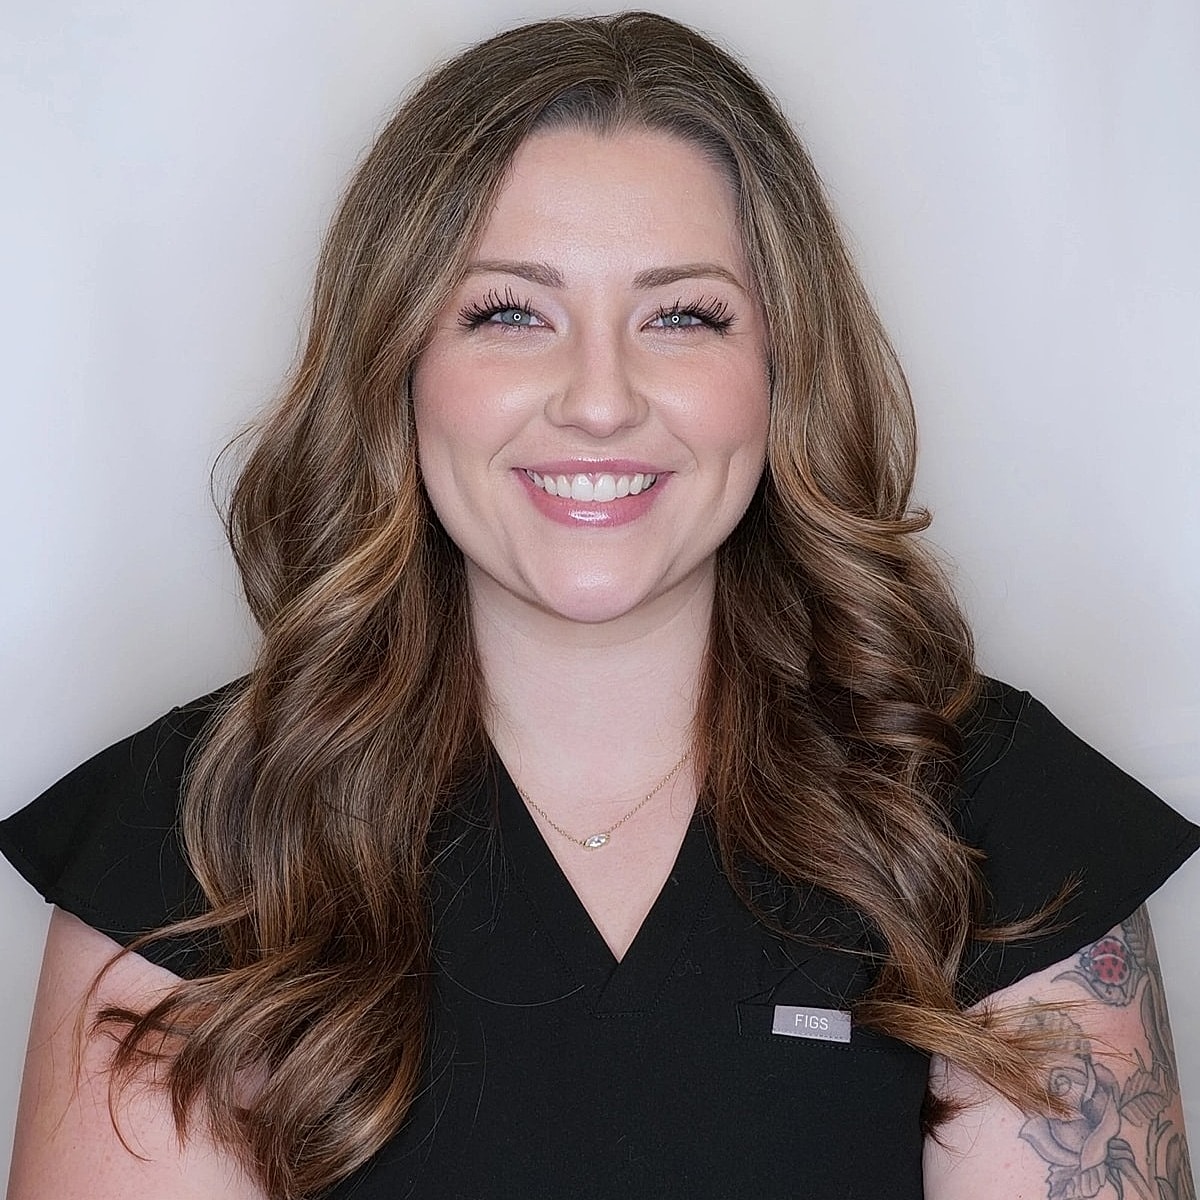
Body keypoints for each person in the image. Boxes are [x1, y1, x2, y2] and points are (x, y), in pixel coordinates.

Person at [1, 11, 1196, 1200]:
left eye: (683, 315)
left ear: (782, 373)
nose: (599, 400)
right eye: (509, 312)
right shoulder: (188, 839)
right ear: (397, 363)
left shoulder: (1002, 821)